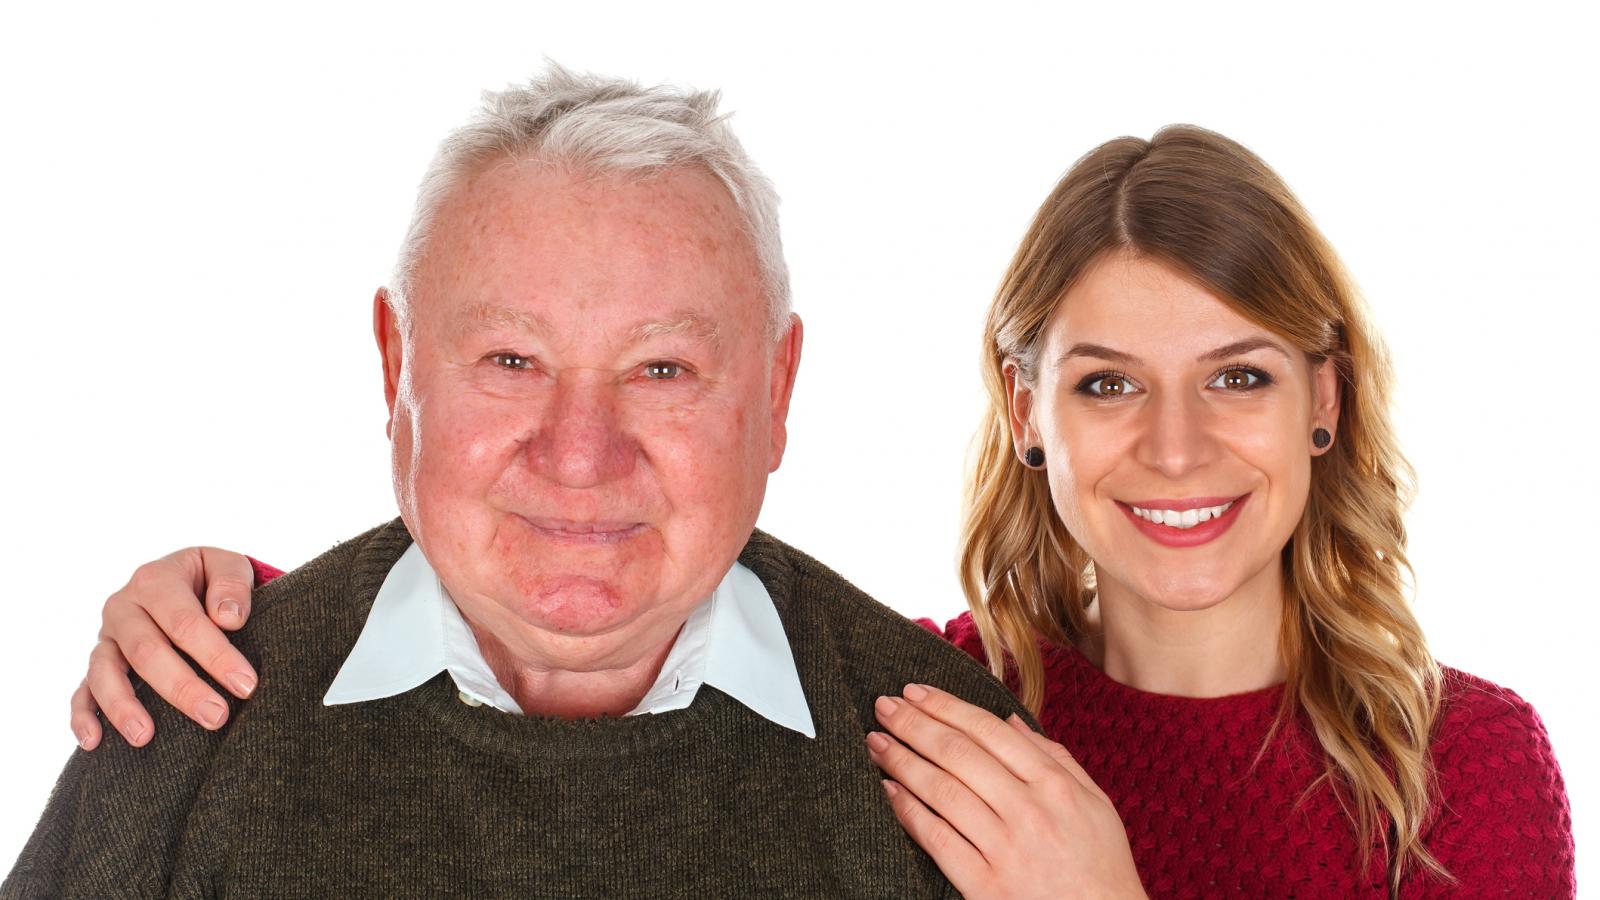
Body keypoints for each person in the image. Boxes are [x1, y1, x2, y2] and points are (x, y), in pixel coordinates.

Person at [55, 129, 1577, 897]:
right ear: (1028, 415)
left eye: (1237, 377)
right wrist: (250, 614)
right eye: (1108, 385)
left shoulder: (1459, 767)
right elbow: (604, 616)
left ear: (1325, 396)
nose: (1175, 449)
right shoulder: (939, 712)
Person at [4, 66, 1039, 898]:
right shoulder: (181, 726)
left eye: (662, 370)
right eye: (510, 361)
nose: (579, 455)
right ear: (395, 366)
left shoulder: (965, 777)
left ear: (775, 392)